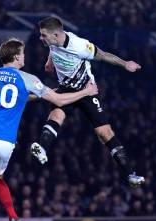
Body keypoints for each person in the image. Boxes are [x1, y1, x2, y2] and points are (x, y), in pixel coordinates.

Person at [0, 38, 98, 221]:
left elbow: (15, 96)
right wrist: (86, 91)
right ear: (16, 56)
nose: (24, 56)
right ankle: (13, 218)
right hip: (6, 143)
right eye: (22, 53)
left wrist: (39, 95)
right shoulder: (28, 79)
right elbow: (59, 100)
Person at [30, 17, 145, 187]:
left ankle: (130, 174)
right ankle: (41, 148)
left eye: (43, 35)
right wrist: (49, 61)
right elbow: (53, 49)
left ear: (55, 35)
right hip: (66, 88)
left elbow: (103, 55)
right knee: (56, 115)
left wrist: (125, 63)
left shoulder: (80, 46)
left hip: (87, 91)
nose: (40, 38)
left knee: (104, 134)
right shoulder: (53, 42)